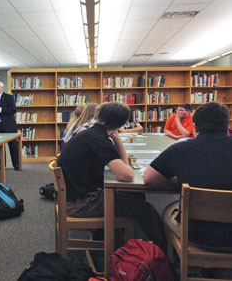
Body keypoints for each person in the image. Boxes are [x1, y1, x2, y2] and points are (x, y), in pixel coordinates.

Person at [57, 102, 166, 249]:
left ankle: (115, 239)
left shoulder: (92, 133)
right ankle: (164, 252)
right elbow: (127, 174)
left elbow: (124, 168)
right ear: (120, 123)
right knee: (145, 209)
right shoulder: (98, 139)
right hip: (80, 203)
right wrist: (117, 139)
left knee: (136, 196)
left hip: (74, 196)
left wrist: (115, 138)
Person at [144, 102, 232, 247]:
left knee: (167, 209)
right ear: (227, 125)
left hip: (197, 235)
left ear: (195, 126)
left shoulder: (181, 150)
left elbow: (149, 179)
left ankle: (173, 258)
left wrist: (177, 179)